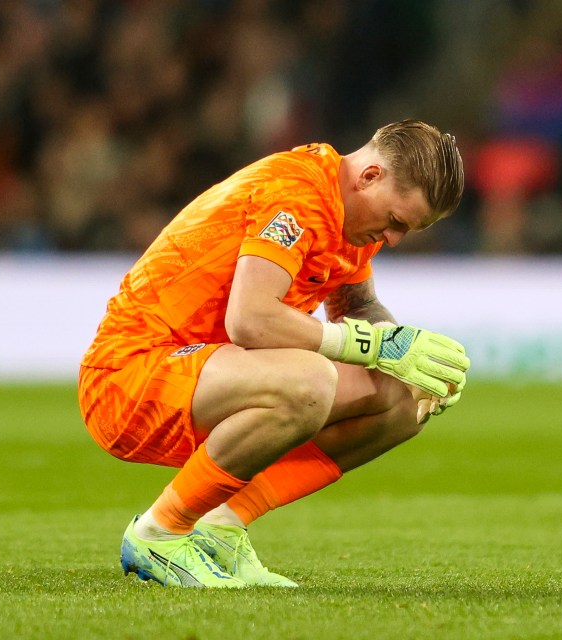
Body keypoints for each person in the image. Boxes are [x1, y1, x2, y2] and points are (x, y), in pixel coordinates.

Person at [78, 119, 471, 588]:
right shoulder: (297, 195)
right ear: (369, 176)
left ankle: (219, 528)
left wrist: (404, 350)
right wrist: (372, 345)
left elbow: (356, 306)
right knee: (309, 381)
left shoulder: (349, 214)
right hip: (132, 374)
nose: (394, 240)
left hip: (212, 371)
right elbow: (250, 319)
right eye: (395, 221)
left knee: (404, 395)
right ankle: (160, 532)